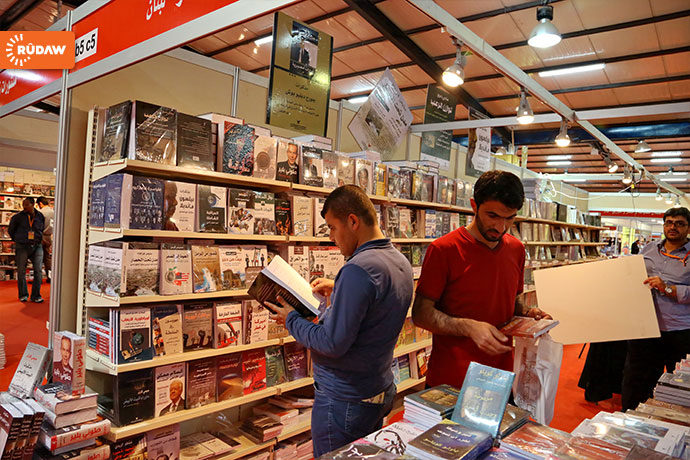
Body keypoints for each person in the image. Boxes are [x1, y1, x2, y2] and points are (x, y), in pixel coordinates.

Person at [267, 185, 413, 457]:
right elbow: (378, 301)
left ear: (353, 221)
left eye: (333, 228)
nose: (332, 237)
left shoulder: (358, 268)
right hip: (377, 388)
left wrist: (291, 319)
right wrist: (339, 289)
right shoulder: (399, 261)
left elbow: (331, 343)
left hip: (345, 400)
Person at [412, 170, 551, 388]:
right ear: (474, 206)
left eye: (510, 218)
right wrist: (468, 327)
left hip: (502, 377)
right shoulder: (444, 249)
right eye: (492, 216)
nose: (500, 227)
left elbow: (512, 302)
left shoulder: (516, 249)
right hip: (452, 381)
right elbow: (421, 314)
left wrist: (528, 314)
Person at [622, 207, 690, 411]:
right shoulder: (649, 249)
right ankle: (630, 416)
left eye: (679, 223)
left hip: (679, 331)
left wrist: (667, 288)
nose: (673, 227)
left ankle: (670, 422)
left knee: (676, 385)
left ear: (688, 228)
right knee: (636, 379)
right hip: (645, 327)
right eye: (669, 222)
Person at [8, 197, 45, 302]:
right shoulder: (17, 217)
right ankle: (23, 295)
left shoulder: (40, 216)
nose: (24, 207)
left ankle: (36, 295)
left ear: (33, 204)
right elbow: (11, 230)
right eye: (23, 204)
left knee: (38, 271)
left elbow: (41, 228)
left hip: (37, 245)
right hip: (22, 246)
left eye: (27, 204)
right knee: (21, 271)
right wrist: (18, 240)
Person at [36, 196, 54, 281]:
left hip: (40, 236)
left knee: (37, 257)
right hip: (49, 236)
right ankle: (49, 277)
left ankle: (38, 279)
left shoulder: (40, 212)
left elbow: (36, 226)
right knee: (47, 258)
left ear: (40, 203)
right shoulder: (53, 212)